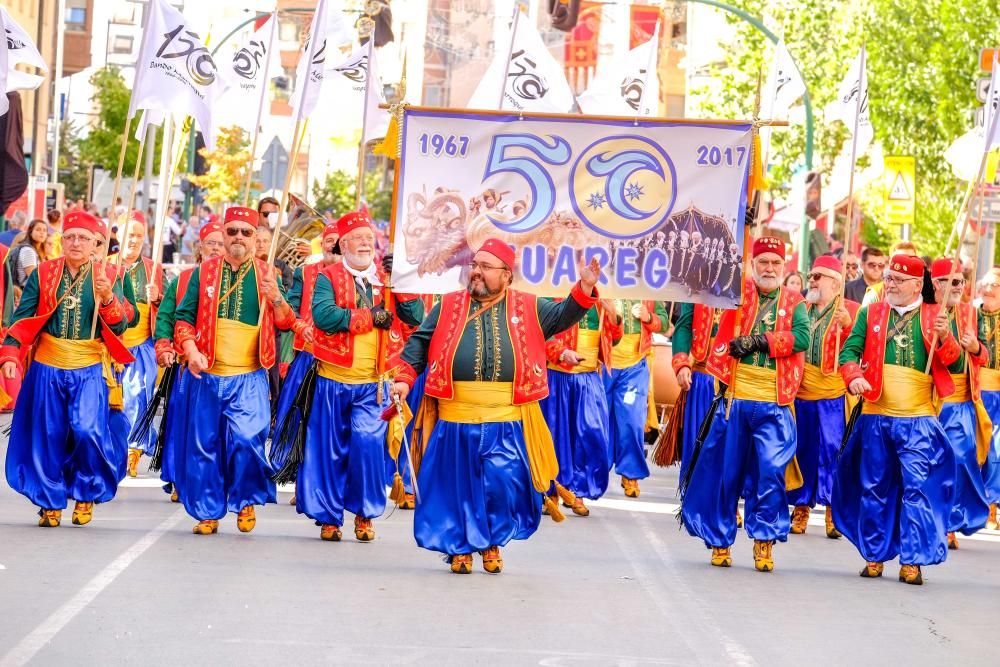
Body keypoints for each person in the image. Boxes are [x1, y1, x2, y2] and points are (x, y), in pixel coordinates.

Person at [390, 239, 601, 574]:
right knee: (458, 487)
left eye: (486, 267)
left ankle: (490, 541)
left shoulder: (530, 307)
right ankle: (461, 548)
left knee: (502, 483)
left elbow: (563, 316)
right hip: (455, 416)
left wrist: (585, 287)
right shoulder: (446, 306)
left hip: (507, 420)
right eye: (475, 265)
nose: (476, 271)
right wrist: (404, 379)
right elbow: (419, 342)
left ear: (507, 275)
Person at [280, 211, 421, 542]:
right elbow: (325, 317)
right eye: (358, 238)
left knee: (369, 444)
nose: (365, 244)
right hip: (331, 378)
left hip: (374, 383)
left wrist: (400, 283)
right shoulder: (327, 277)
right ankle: (329, 517)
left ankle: (364, 512)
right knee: (329, 449)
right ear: (343, 244)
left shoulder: (386, 279)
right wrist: (370, 316)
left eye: (369, 239)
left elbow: (415, 317)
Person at [680, 236, 808, 572]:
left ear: (785, 267)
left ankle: (764, 541)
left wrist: (760, 341)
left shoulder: (795, 301)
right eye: (762, 262)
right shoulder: (733, 293)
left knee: (770, 474)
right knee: (726, 473)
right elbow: (699, 305)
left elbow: (803, 338)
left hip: (774, 403)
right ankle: (720, 541)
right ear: (752, 266)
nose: (769, 268)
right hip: (733, 398)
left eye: (775, 263)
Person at [2, 211, 134, 527]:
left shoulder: (111, 276)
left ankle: (86, 493)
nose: (76, 243)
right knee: (49, 435)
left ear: (96, 244)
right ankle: (50, 501)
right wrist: (9, 355)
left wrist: (107, 299)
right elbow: (23, 317)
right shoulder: (44, 273)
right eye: (70, 237)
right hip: (47, 364)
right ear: (61, 240)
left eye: (84, 238)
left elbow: (124, 324)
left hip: (89, 366)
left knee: (88, 431)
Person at [173, 206, 300, 535]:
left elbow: (287, 323)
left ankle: (244, 500)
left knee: (247, 439)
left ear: (257, 238)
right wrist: (191, 350)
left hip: (249, 376)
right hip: (207, 372)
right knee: (205, 444)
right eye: (232, 232)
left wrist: (276, 300)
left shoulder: (267, 273)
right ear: (223, 234)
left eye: (246, 232)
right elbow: (184, 318)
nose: (239, 238)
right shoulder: (204, 273)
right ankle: (207, 510)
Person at [835, 253, 960, 585]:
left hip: (918, 418)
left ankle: (913, 560)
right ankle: (873, 555)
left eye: (897, 280)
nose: (888, 284)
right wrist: (853, 377)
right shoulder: (871, 313)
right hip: (876, 414)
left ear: (918, 284)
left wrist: (946, 338)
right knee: (874, 486)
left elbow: (955, 363)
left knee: (917, 488)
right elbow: (848, 352)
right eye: (888, 278)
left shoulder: (936, 315)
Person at [151, 221, 226, 503]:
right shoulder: (184, 280)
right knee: (185, 425)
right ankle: (181, 478)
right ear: (200, 249)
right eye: (211, 244)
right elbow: (167, 316)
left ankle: (215, 479)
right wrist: (165, 346)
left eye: (221, 243)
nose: (216, 248)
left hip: (228, 370)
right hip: (188, 367)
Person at [787, 256, 858, 537]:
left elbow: (859, 348)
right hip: (803, 390)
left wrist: (849, 324)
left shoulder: (850, 310)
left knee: (833, 451)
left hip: (833, 393)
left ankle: (833, 512)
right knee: (803, 449)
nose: (812, 280)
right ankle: (801, 508)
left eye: (818, 276)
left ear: (836, 283)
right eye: (812, 275)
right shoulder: (800, 309)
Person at [270, 222, 340, 506]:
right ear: (321, 244)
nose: (333, 247)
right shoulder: (305, 272)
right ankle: (302, 482)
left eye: (339, 242)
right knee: (303, 422)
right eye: (329, 241)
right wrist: (300, 325)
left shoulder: (359, 278)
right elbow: (292, 309)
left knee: (332, 427)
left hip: (341, 363)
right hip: (308, 357)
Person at [929, 258, 991, 550]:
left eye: (961, 282)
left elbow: (984, 357)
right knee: (932, 464)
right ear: (935, 284)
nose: (957, 287)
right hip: (933, 400)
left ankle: (951, 522)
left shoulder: (970, 312)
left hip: (963, 402)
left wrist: (975, 347)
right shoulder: (925, 312)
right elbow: (942, 357)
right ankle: (933, 519)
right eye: (950, 281)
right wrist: (950, 341)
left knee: (962, 462)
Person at [541, 298, 622, 516]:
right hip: (558, 375)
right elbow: (540, 329)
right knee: (556, 435)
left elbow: (613, 340)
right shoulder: (553, 290)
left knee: (592, 434)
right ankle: (553, 492)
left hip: (589, 376)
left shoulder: (605, 297)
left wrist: (613, 315)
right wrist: (559, 352)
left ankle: (580, 491)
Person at [604, 298, 668, 498]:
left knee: (632, 419)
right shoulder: (603, 282)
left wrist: (649, 317)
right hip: (602, 363)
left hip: (634, 366)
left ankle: (630, 474)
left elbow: (664, 324)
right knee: (598, 421)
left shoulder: (646, 286)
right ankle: (593, 474)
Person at [118, 213, 165, 478]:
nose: (134, 240)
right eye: (129, 234)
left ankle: (132, 451)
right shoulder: (106, 264)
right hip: (111, 345)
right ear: (118, 236)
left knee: (138, 397)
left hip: (141, 346)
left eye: (138, 235)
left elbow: (170, 303)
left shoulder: (153, 268)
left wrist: (157, 296)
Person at [976, 268, 1000, 529]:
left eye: (996, 285)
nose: (990, 289)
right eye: (987, 284)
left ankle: (992, 505)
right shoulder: (970, 316)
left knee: (997, 450)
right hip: (976, 391)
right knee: (975, 447)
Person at [10, 219, 49, 292]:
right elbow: (34, 278)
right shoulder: (28, 251)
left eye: (45, 230)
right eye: (38, 229)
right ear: (30, 232)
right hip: (25, 293)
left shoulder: (34, 251)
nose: (42, 233)